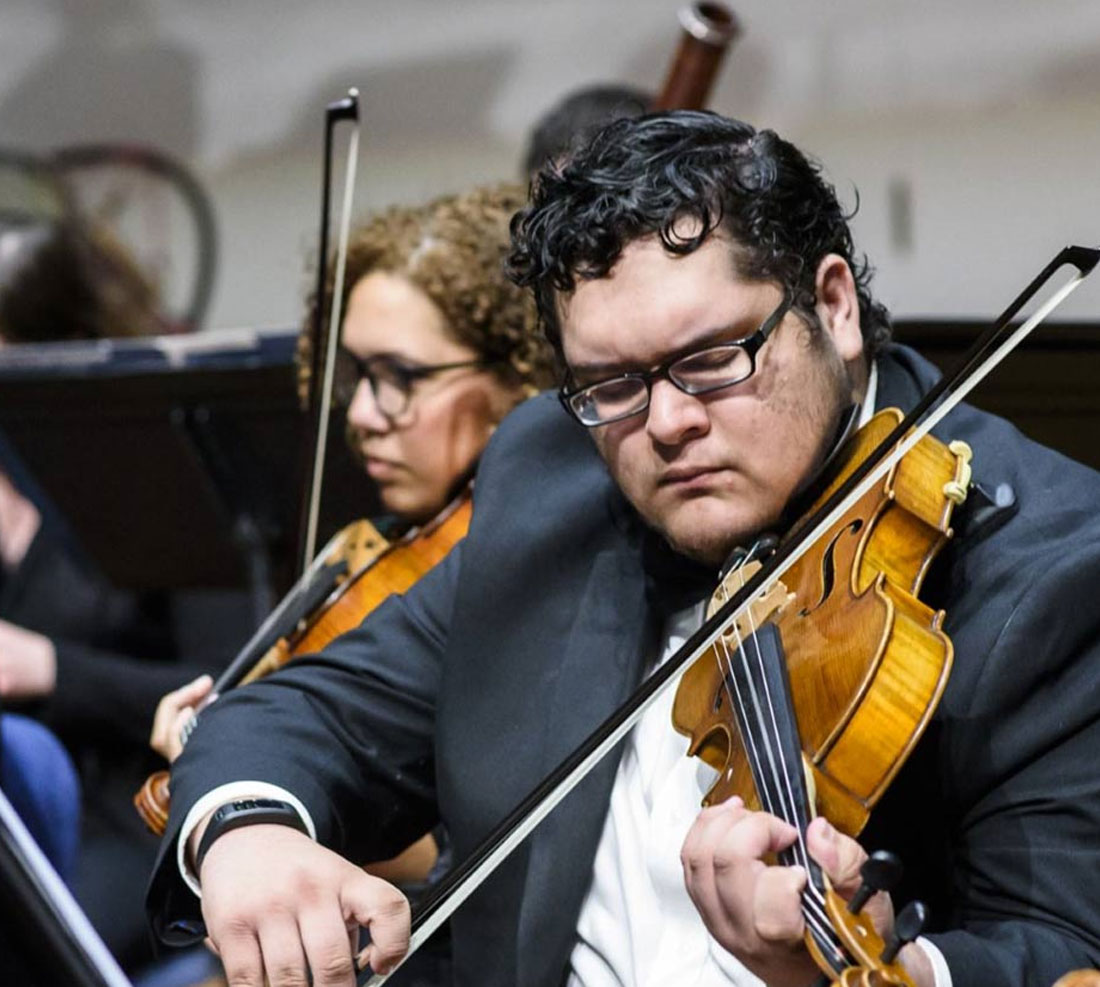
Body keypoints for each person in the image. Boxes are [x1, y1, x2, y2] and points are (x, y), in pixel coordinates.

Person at [146, 111, 1100, 987]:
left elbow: (1065, 942)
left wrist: (890, 968)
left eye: (713, 358)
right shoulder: (554, 473)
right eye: (610, 383)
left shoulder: (1046, 568)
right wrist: (248, 828)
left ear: (835, 306)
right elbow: (316, 706)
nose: (668, 422)